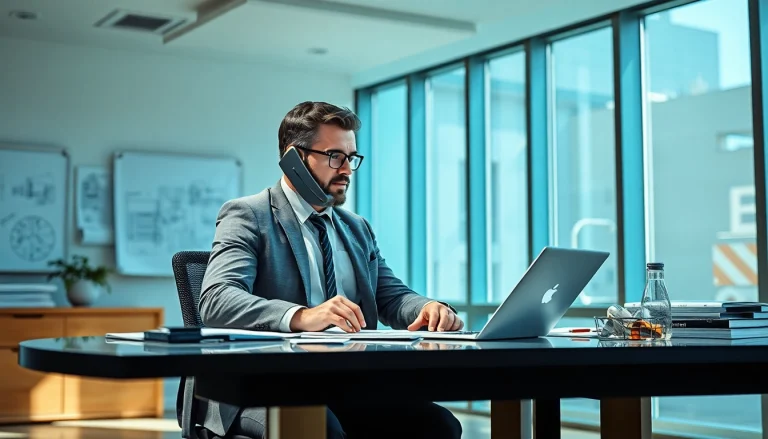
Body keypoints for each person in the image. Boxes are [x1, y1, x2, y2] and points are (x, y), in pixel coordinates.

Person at [195, 101, 464, 439]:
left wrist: (427, 307)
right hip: (264, 387)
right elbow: (217, 299)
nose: (347, 169)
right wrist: (301, 316)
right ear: (295, 158)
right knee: (320, 429)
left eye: (351, 158)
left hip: (346, 383)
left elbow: (391, 296)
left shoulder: (356, 228)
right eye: (335, 156)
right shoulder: (249, 215)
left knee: (438, 426)